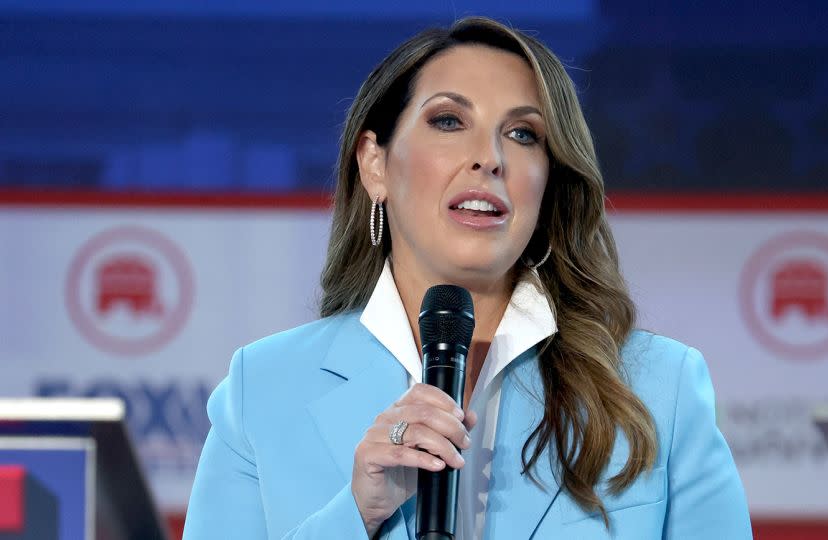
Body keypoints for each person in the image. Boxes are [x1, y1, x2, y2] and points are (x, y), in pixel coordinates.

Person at [182, 16, 752, 540]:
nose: (490, 157)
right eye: (449, 121)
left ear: (550, 181)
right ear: (374, 164)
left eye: (524, 134)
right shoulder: (262, 388)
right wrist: (357, 513)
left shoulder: (661, 388)